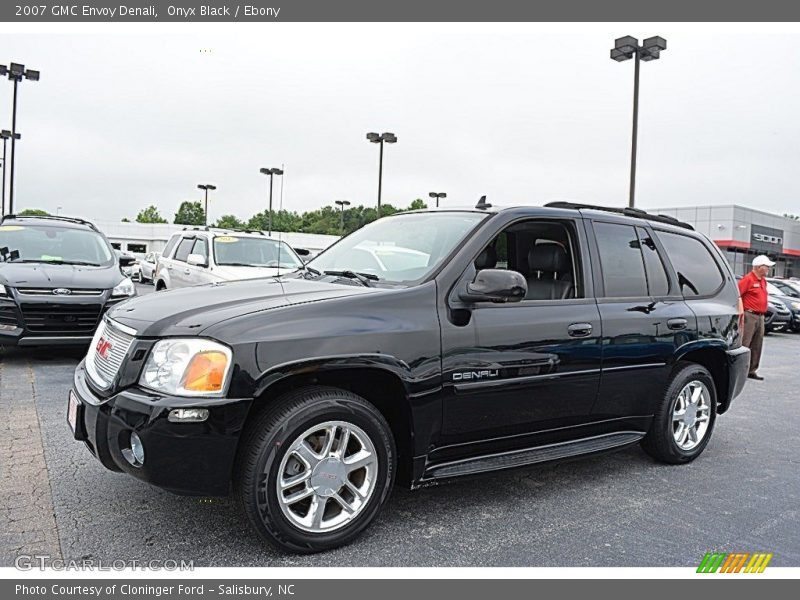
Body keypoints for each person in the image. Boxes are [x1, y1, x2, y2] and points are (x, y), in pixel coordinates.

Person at [737, 255, 775, 380]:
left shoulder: (763, 281)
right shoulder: (748, 279)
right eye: (767, 266)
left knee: (757, 344)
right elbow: (737, 296)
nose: (769, 268)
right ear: (759, 267)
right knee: (745, 343)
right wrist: (741, 312)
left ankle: (752, 370)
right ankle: (740, 370)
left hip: (760, 316)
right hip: (749, 315)